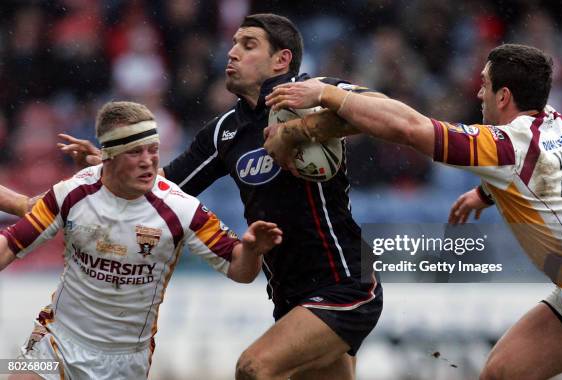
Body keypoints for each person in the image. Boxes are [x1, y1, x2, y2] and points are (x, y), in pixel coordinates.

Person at [22, 13, 384, 380]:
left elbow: (381, 109)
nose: (232, 53)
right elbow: (160, 188)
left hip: (345, 280)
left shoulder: (313, 95)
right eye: (233, 43)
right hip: (290, 296)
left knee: (254, 367)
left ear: (282, 60)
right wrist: (113, 163)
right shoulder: (226, 131)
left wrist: (301, 129)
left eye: (248, 45)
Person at [264, 43, 562, 379]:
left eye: (485, 86)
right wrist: (485, 193)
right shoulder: (558, 124)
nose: (479, 95)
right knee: (503, 373)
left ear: (504, 96)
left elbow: (410, 129)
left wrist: (328, 95)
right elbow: (544, 178)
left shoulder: (507, 148)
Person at [0, 101, 282, 380]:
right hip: (56, 343)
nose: (149, 161)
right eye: (135, 152)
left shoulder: (180, 208)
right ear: (107, 156)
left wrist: (253, 250)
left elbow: (241, 270)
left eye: (154, 149)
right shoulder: (72, 193)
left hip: (125, 362)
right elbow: (11, 244)